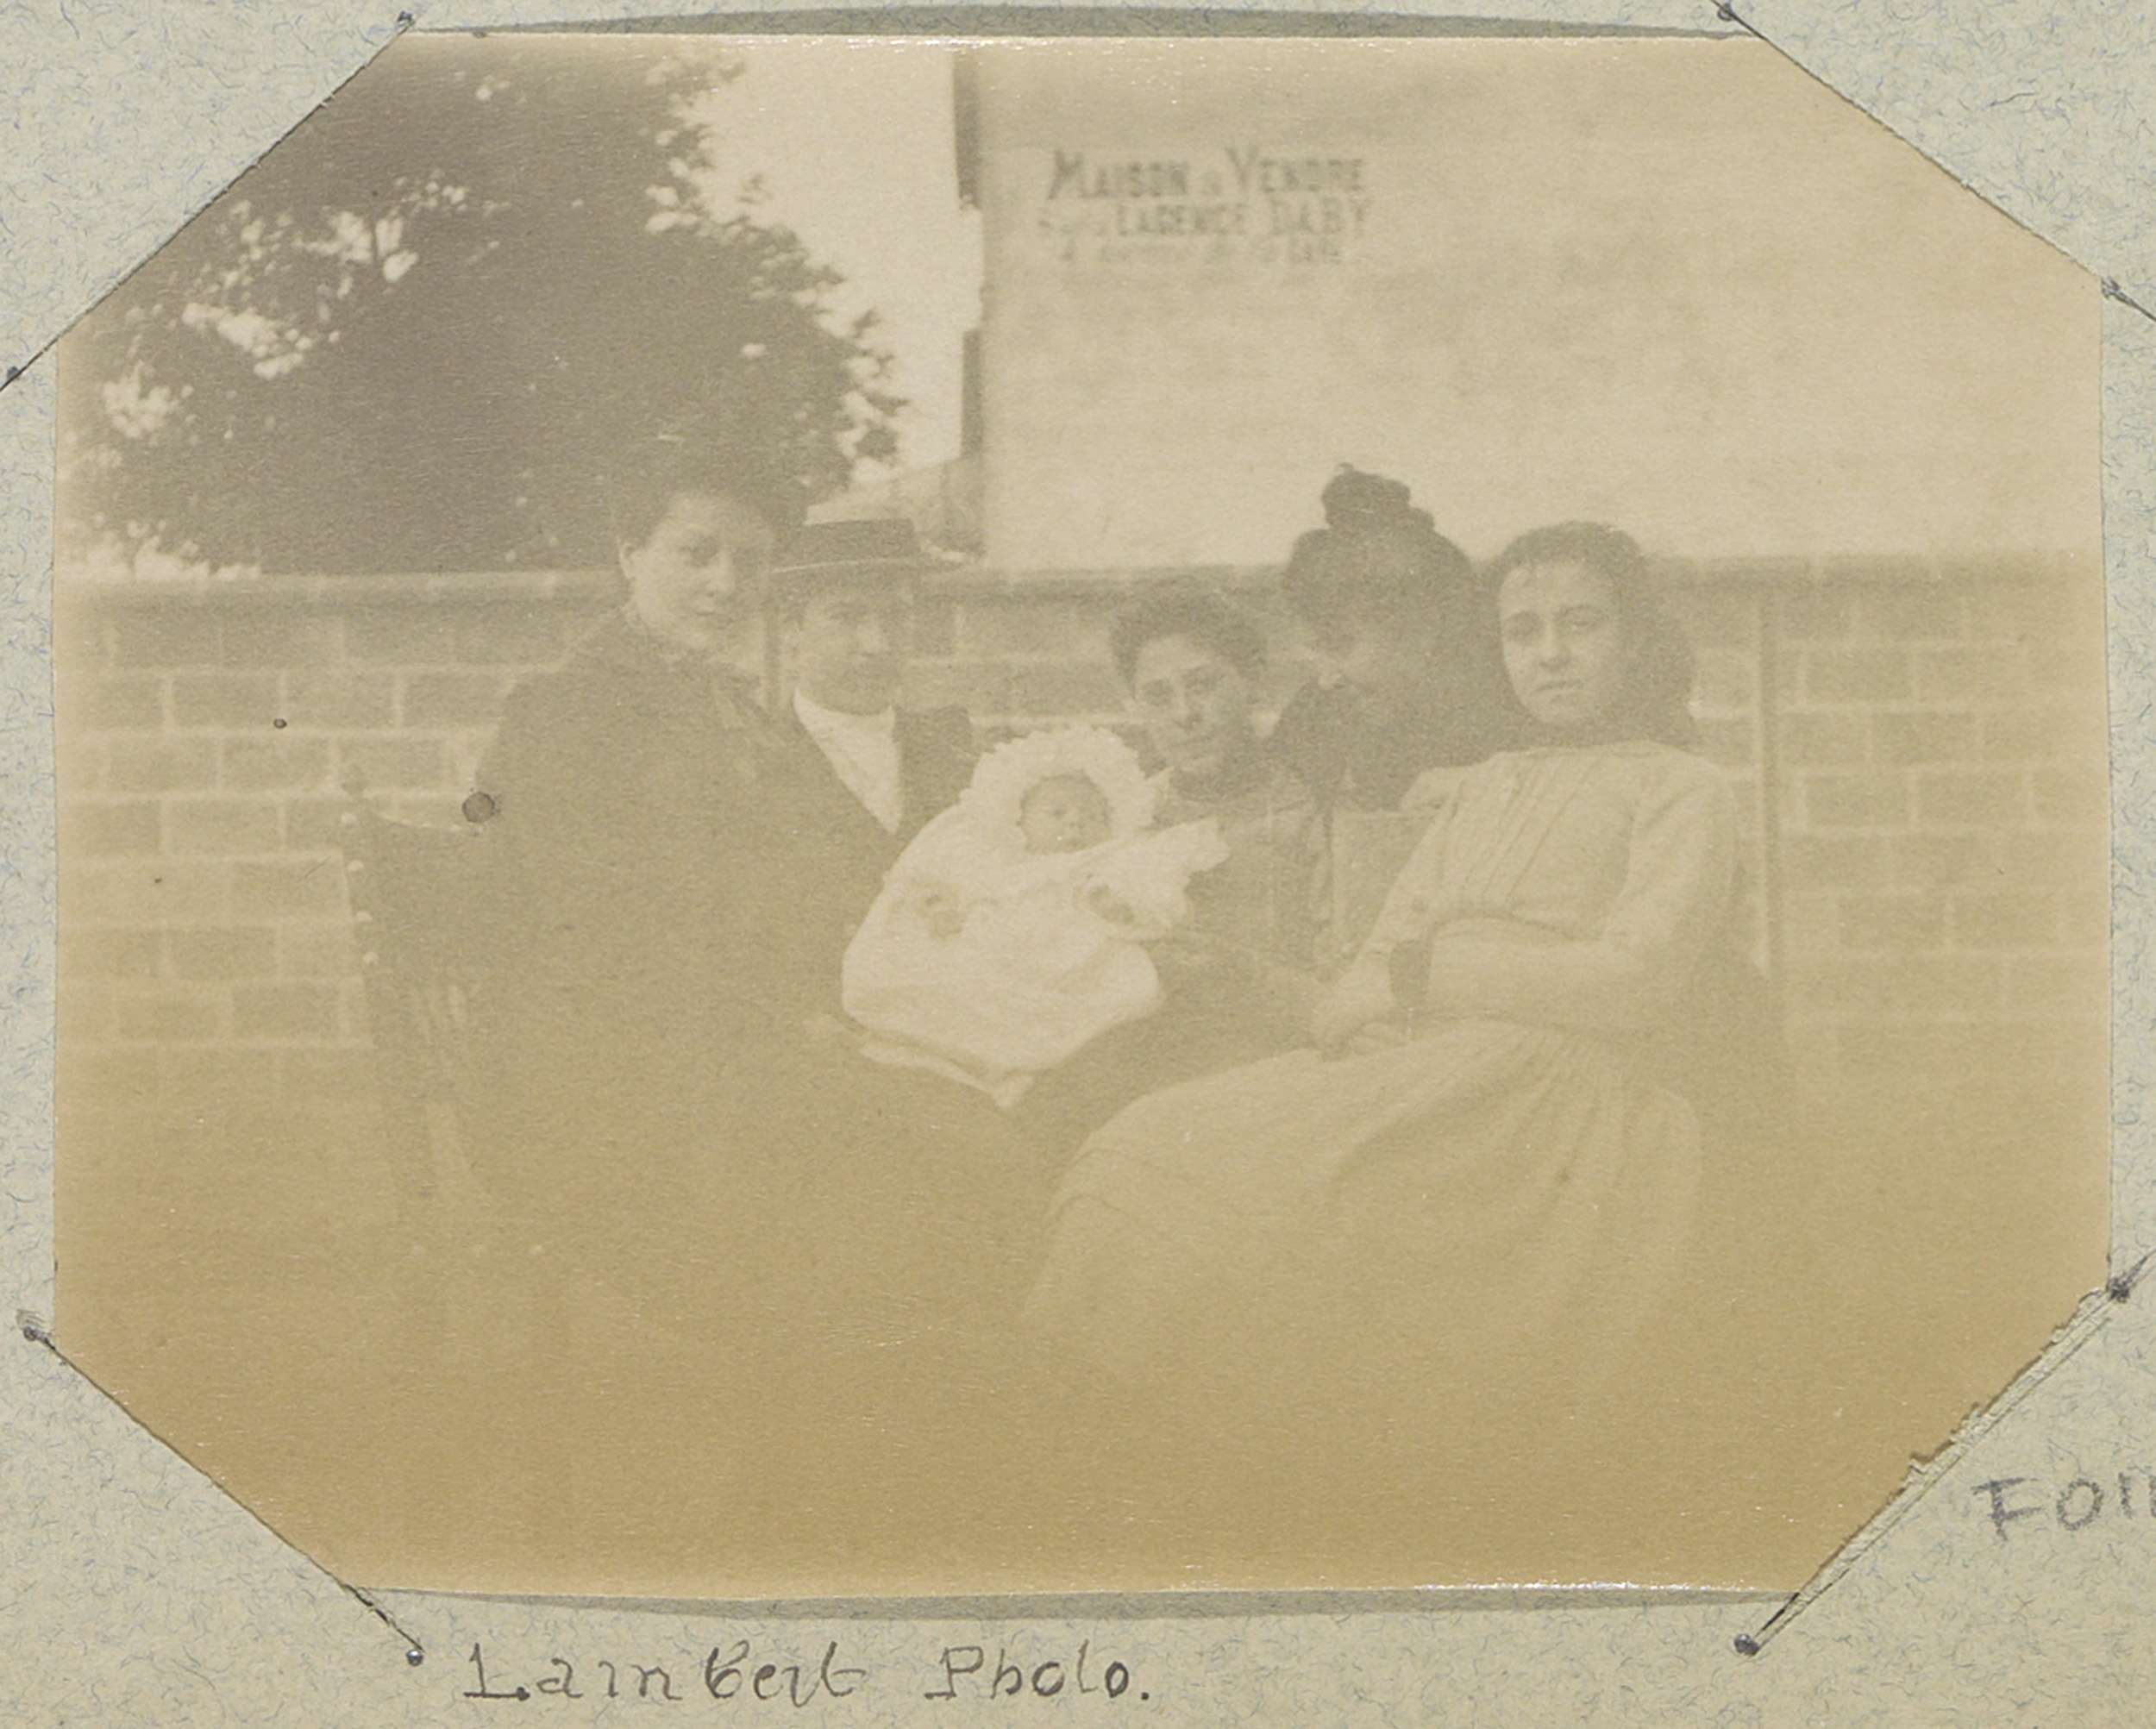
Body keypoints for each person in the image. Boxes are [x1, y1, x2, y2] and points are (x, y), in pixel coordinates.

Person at [1021, 522, 1744, 1510]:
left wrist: (1420, 978)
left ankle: (1263, 1485)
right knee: (1141, 1146)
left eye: (1580, 624)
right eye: (1522, 631)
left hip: (1545, 1097)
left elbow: (1634, 980)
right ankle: (1134, 1475)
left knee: (1270, 1211)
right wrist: (1344, 1006)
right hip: (1417, 1062)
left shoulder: (1683, 789)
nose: (1549, 654)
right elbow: (1378, 955)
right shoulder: (1488, 784)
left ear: (1636, 639)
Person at [842, 725, 1227, 1108]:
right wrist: (938, 906)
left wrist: (1119, 903)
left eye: (1093, 816)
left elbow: (1149, 892)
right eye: (1057, 812)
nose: (1075, 823)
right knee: (952, 985)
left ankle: (1010, 1069)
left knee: (1053, 1014)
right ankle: (934, 1052)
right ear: (1019, 818)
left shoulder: (1105, 859)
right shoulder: (992, 858)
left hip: (1061, 956)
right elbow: (927, 880)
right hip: (986, 948)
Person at [755, 517, 978, 1023]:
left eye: (896, 616)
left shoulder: (957, 755)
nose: (877, 643)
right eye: (847, 617)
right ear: (791, 631)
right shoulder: (748, 760)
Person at [1266, 465, 1512, 818]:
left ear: (1425, 627)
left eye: (1340, 645)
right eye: (1317, 651)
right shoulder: (1317, 712)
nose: (1326, 678)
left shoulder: (1506, 715)